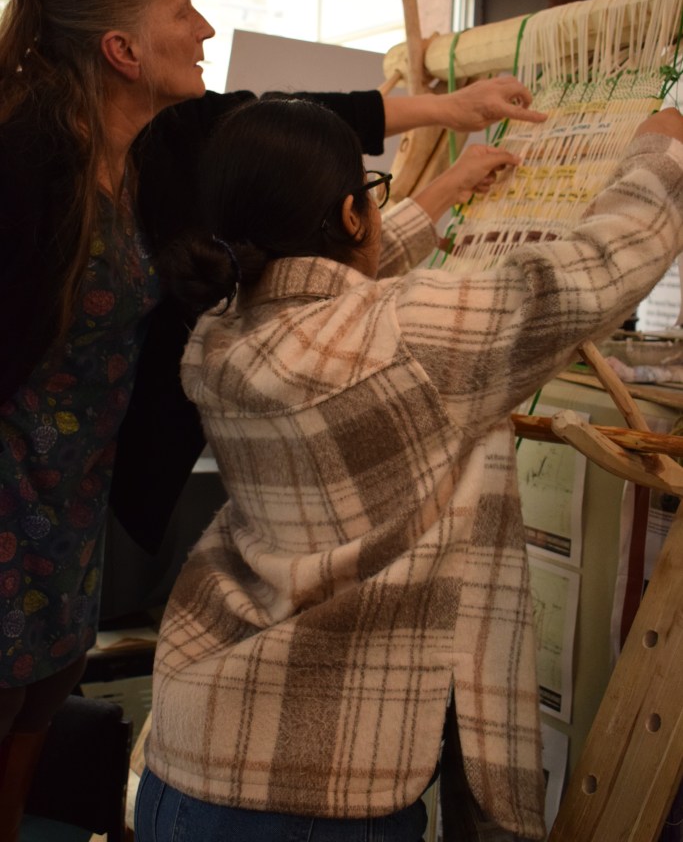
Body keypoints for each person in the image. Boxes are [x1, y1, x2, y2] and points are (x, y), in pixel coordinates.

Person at [0, 0, 544, 837]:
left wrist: (448, 128)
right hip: (10, 502)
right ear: (123, 51)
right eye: (181, 11)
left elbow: (294, 128)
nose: (206, 26)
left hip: (70, 507)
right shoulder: (21, 164)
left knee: (32, 717)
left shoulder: (156, 149)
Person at [135, 99, 683, 842]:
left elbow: (320, 290)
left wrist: (443, 190)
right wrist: (660, 153)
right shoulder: (408, 334)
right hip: (318, 796)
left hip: (189, 757)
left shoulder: (221, 337)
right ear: (352, 215)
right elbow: (598, 267)